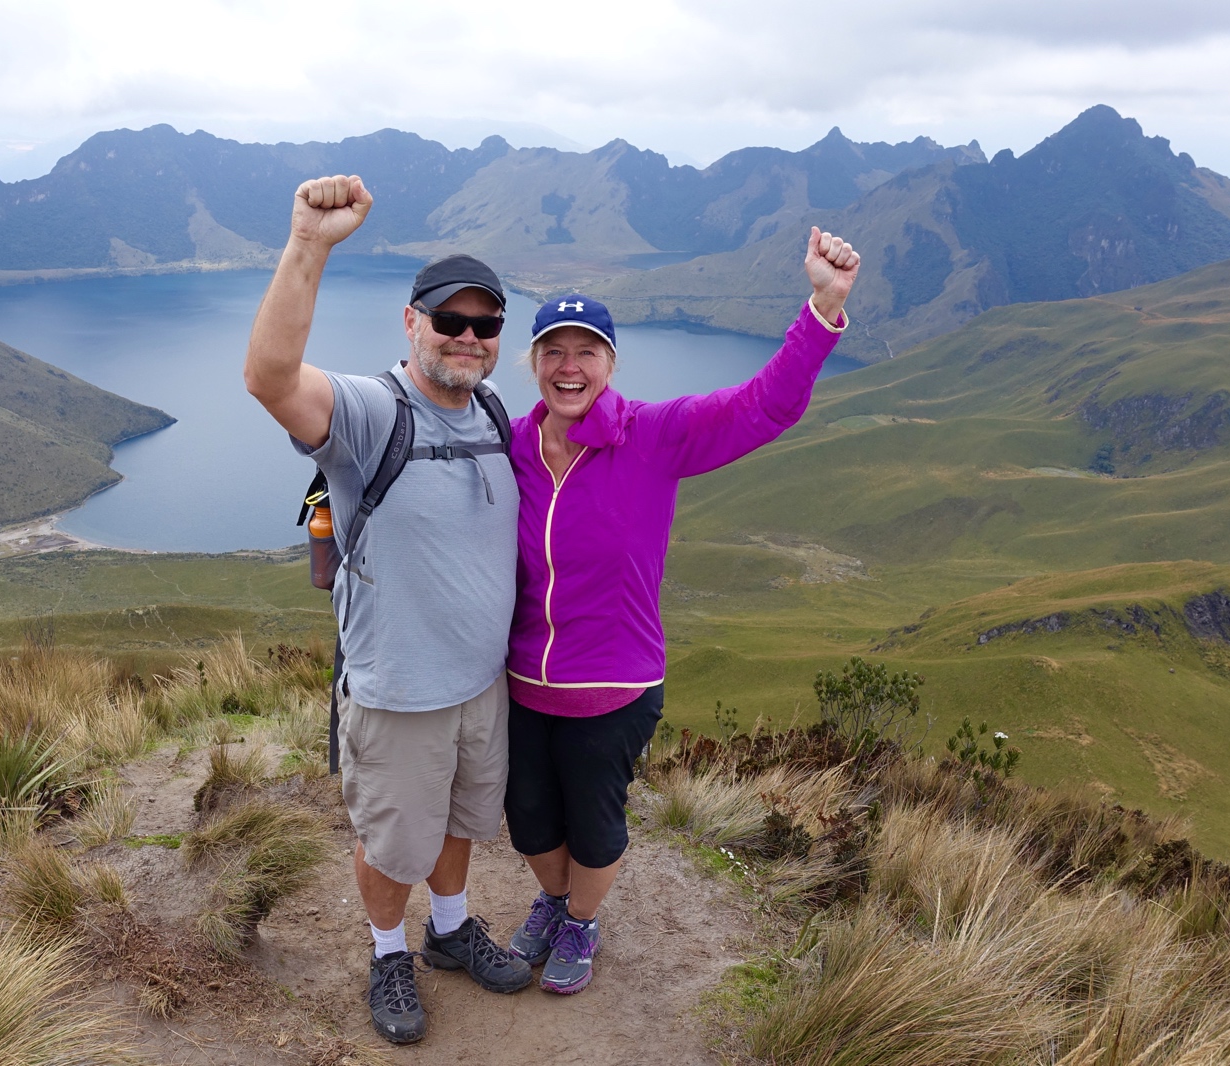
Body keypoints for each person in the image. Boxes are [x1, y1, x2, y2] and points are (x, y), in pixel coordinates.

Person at [503, 227, 861, 993]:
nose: (570, 368)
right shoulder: (509, 447)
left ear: (611, 363)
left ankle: (583, 923)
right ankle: (555, 899)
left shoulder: (651, 437)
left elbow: (764, 406)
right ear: (533, 364)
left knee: (595, 823)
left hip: (614, 685)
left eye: (587, 352)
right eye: (554, 353)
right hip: (520, 682)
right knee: (529, 816)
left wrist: (823, 307)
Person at [243, 174, 532, 1044]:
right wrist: (309, 244)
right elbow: (269, 377)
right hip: (397, 689)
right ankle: (387, 952)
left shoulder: (490, 409)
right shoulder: (375, 412)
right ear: (413, 323)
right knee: (392, 839)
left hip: (481, 686)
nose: (470, 338)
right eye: (451, 321)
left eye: (486, 326)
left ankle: (447, 933)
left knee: (458, 821)